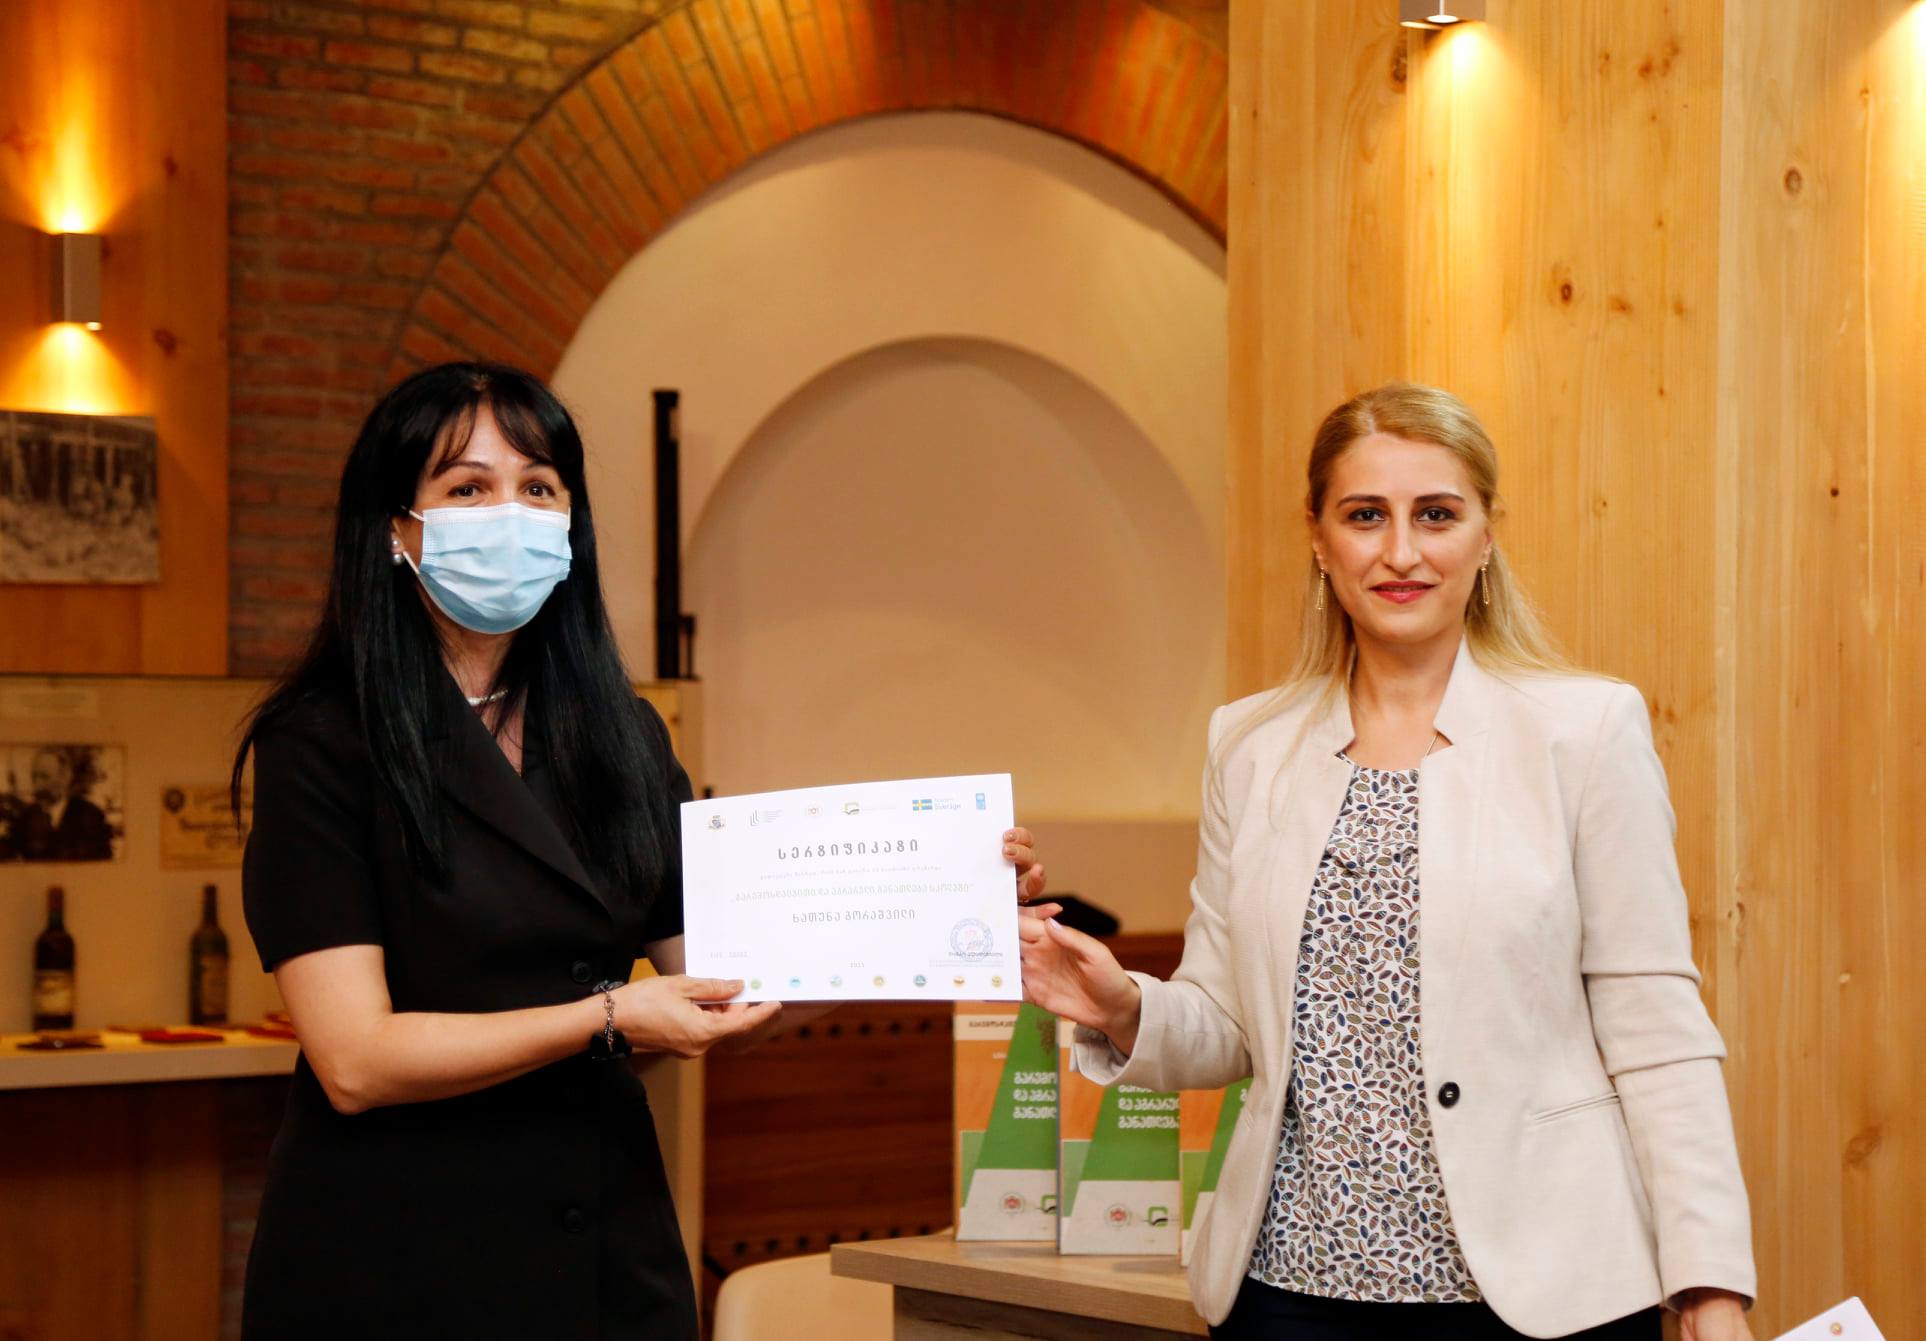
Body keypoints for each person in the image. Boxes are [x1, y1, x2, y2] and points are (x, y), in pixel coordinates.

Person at [231, 362, 1046, 1340]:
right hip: (396, 1257)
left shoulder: (620, 733)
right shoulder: (322, 742)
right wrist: (608, 1017)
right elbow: (355, 1059)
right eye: (468, 488)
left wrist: (949, 910)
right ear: (394, 528)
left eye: (539, 486)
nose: (511, 513)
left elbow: (724, 983)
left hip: (602, 1244)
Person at [1019, 383, 1754, 1341]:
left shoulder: (1585, 731)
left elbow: (1656, 1027)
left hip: (1542, 1298)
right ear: (1320, 539)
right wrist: (1123, 1006)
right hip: (1289, 1295)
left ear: (1485, 537)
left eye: (1436, 514)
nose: (1401, 551)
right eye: (1366, 515)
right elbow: (1230, 1024)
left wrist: (1709, 1280)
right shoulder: (1248, 744)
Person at [16, 747, 114, 861]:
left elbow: (104, 865)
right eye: (34, 777)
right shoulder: (25, 818)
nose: (37, 786)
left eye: (44, 777)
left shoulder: (91, 816)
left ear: (65, 778)